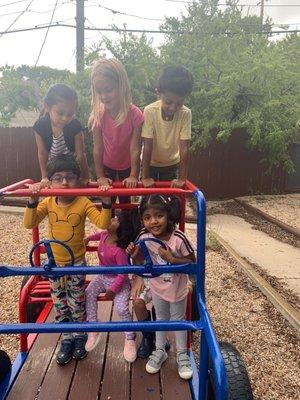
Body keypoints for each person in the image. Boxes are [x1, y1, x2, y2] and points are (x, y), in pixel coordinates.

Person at [23, 154, 111, 365]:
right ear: (50, 181)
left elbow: (103, 223)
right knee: (59, 302)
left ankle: (79, 335)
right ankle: (66, 336)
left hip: (76, 263)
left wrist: (106, 202)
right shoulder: (49, 201)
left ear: (79, 180)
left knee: (76, 300)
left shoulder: (82, 201)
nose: (64, 183)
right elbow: (29, 223)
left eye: (70, 177)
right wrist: (32, 201)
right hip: (54, 265)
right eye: (58, 177)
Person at [127, 194, 195, 380]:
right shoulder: (144, 236)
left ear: (168, 215)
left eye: (158, 215)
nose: (153, 222)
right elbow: (140, 260)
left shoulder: (178, 238)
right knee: (162, 318)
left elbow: (192, 261)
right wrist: (134, 254)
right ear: (142, 220)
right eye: (147, 217)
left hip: (177, 286)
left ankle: (182, 354)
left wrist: (173, 259)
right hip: (157, 286)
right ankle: (160, 350)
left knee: (178, 319)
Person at [84, 209, 141, 363]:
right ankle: (93, 328)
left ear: (120, 229)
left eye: (115, 219)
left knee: (121, 308)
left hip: (119, 282)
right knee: (89, 293)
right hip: (102, 277)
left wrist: (112, 290)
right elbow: (98, 235)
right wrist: (88, 238)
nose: (111, 219)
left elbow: (123, 274)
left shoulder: (119, 250)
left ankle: (130, 337)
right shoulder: (104, 235)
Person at [89, 58, 144, 202]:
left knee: (126, 202)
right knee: (108, 203)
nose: (103, 96)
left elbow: (135, 149)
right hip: (107, 165)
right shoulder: (98, 115)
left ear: (121, 86)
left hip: (128, 165)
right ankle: (109, 223)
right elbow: (98, 149)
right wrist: (100, 176)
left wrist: (133, 175)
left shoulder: (135, 114)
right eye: (99, 91)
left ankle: (127, 223)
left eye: (108, 90)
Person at [141, 66, 194, 189]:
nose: (173, 107)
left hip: (171, 164)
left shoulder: (185, 113)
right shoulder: (150, 111)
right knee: (148, 199)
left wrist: (182, 178)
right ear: (158, 93)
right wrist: (145, 177)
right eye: (168, 102)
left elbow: (184, 148)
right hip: (151, 163)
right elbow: (147, 146)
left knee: (172, 200)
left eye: (179, 103)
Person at [33, 83, 89, 189]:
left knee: (75, 194)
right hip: (54, 168)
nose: (65, 118)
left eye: (70, 114)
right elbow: (42, 153)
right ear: (47, 106)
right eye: (60, 113)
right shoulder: (40, 126)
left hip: (71, 167)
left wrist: (85, 177)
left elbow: (80, 154)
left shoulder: (75, 125)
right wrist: (44, 177)